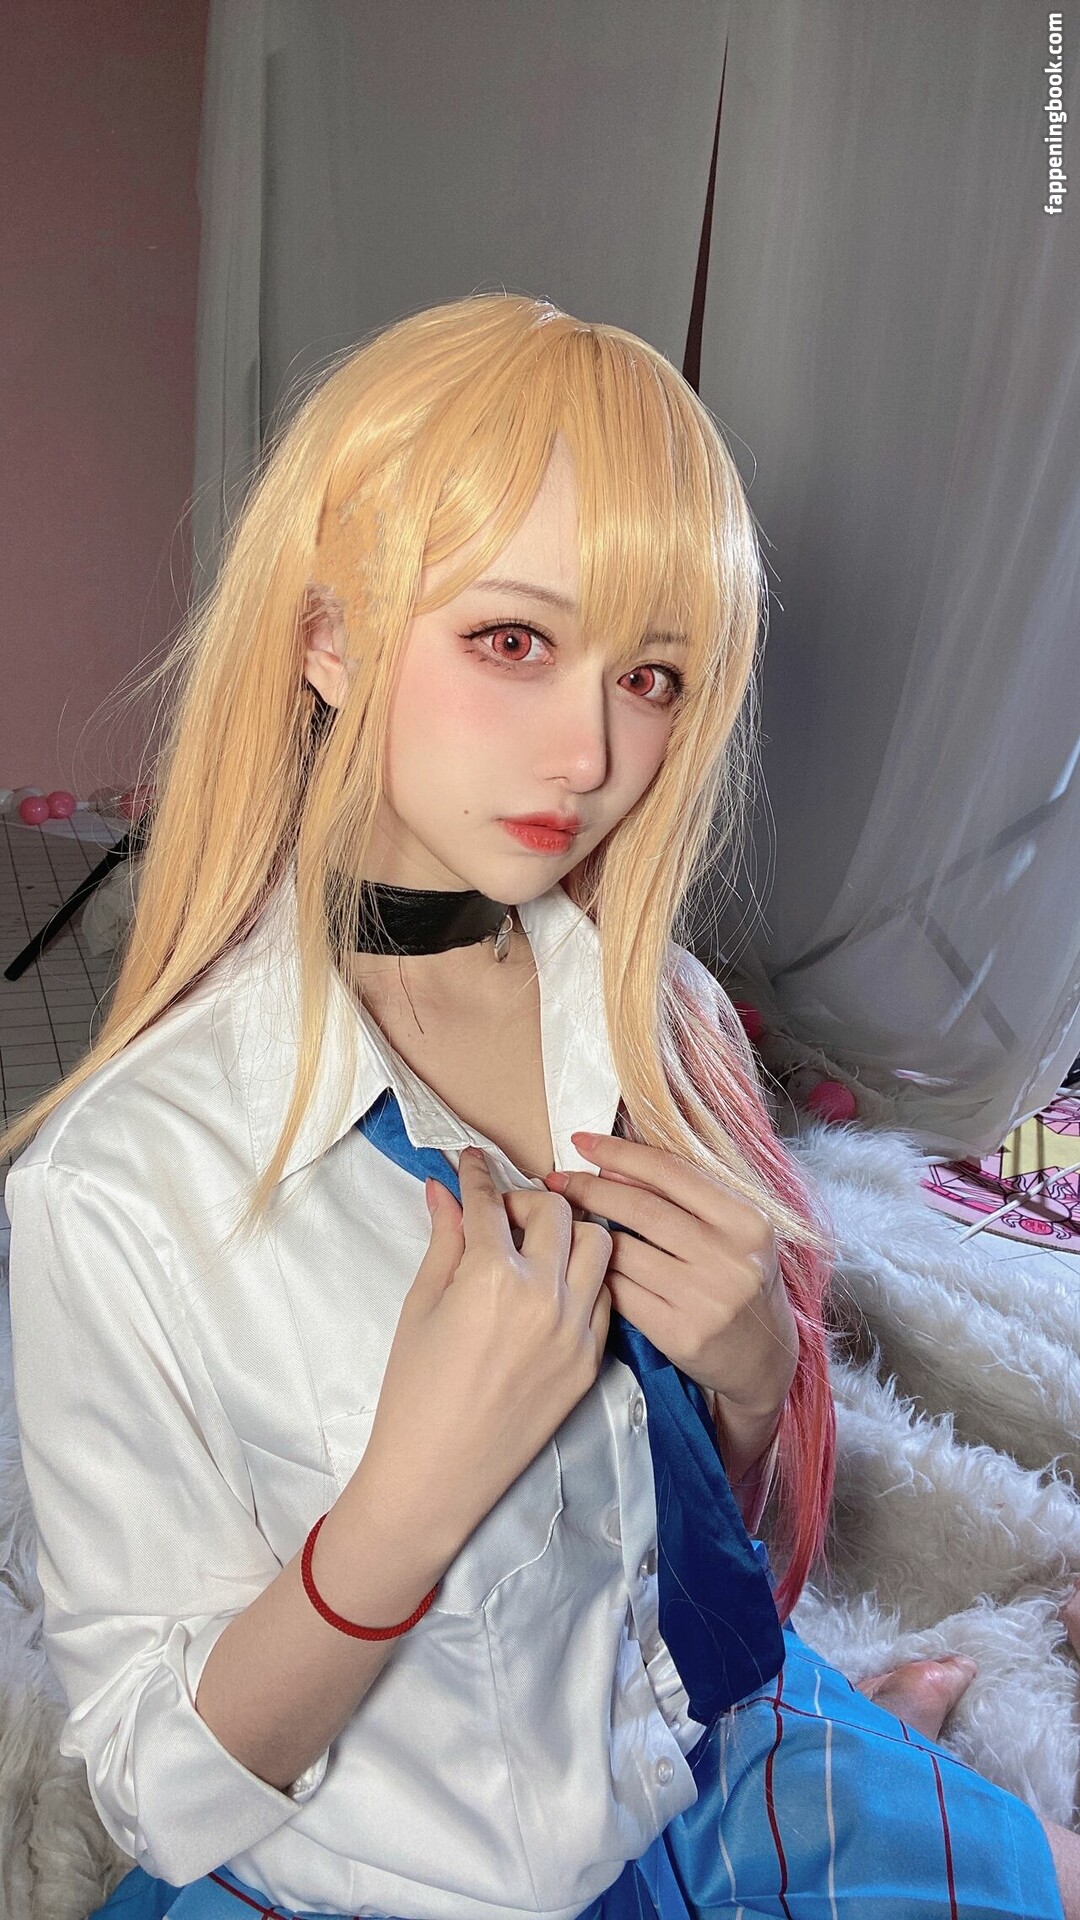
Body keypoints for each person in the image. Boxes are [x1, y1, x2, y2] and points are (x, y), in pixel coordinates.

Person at [2, 294, 1074, 1920]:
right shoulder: (119, 1184)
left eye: (652, 675)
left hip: (683, 1751)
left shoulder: (668, 1021)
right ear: (328, 636)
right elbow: (156, 1787)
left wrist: (752, 1376)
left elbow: (699, 1536)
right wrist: (402, 1512)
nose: (588, 751)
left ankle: (844, 1733)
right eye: (513, 641)